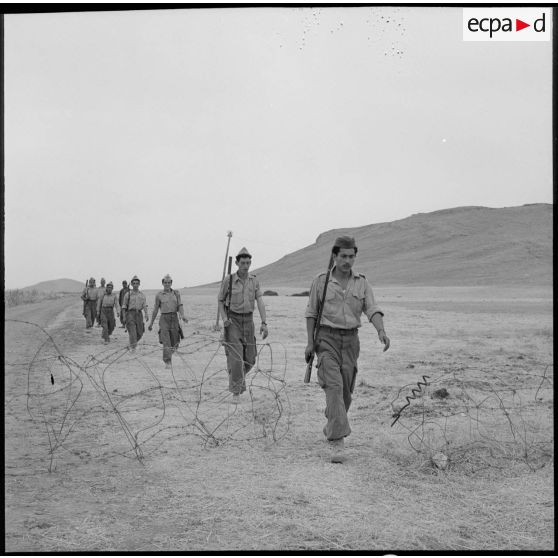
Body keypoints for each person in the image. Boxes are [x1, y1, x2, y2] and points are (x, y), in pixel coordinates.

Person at [304, 236, 390, 464]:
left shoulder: (362, 282)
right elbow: (311, 312)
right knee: (334, 386)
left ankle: (333, 419)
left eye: (351, 256)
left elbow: (371, 307)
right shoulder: (321, 281)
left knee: (345, 394)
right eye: (343, 256)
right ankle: (336, 441)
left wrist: (381, 331)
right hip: (326, 339)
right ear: (334, 256)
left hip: (351, 341)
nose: (347, 261)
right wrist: (310, 343)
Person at [218, 247, 269, 404]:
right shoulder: (229, 280)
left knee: (250, 358)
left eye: (248, 263)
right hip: (232, 321)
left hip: (249, 321)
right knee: (236, 357)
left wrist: (264, 322)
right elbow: (220, 300)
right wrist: (224, 318)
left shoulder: (254, 280)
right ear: (237, 263)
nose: (245, 266)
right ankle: (236, 392)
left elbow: (259, 301)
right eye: (243, 263)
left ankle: (235, 375)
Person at [148, 274, 188, 369]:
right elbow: (155, 309)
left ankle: (171, 351)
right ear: (162, 283)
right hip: (164, 319)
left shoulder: (176, 293)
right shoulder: (159, 295)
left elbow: (180, 305)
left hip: (174, 318)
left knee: (175, 341)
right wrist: (151, 323)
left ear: (171, 283)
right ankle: (168, 361)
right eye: (165, 283)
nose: (167, 284)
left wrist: (182, 316)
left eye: (169, 283)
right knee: (166, 341)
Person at [121, 275, 149, 351]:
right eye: (134, 283)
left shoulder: (142, 295)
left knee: (140, 332)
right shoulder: (128, 294)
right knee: (132, 332)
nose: (135, 285)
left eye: (137, 283)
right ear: (132, 284)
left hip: (139, 315)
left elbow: (144, 305)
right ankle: (133, 348)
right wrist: (124, 317)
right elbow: (124, 306)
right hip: (130, 314)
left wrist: (146, 314)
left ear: (139, 284)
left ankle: (131, 344)